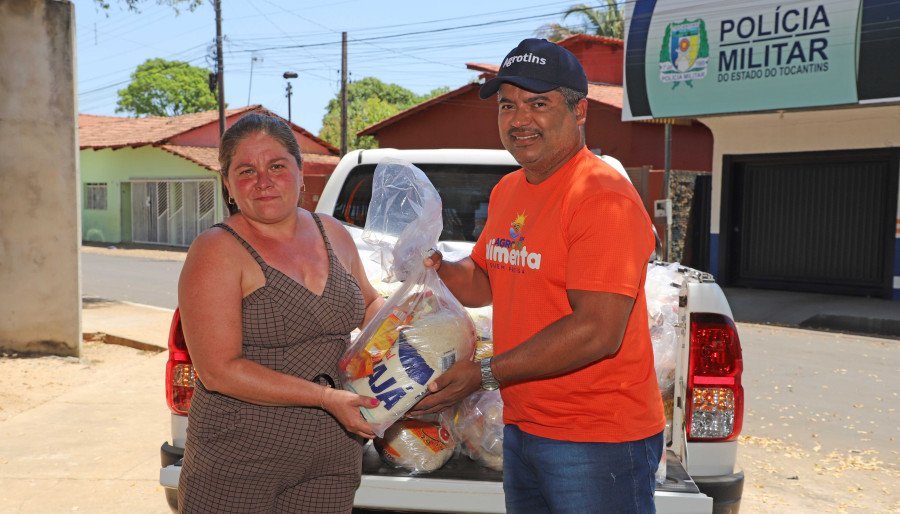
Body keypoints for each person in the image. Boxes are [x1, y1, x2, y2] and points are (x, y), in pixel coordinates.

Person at [410, 39, 666, 513]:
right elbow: (485, 279)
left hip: (597, 439)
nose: (519, 119)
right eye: (508, 105)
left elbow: (597, 332)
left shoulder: (601, 196)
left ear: (580, 111)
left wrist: (484, 374)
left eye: (538, 103)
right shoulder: (510, 189)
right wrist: (436, 267)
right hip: (524, 427)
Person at [176, 113, 384, 513]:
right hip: (238, 461)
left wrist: (417, 318)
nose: (263, 181)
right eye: (246, 171)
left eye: (276, 166)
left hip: (333, 456)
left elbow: (369, 305)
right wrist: (325, 397)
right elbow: (218, 369)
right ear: (228, 185)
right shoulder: (217, 250)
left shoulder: (333, 232)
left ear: (301, 172)